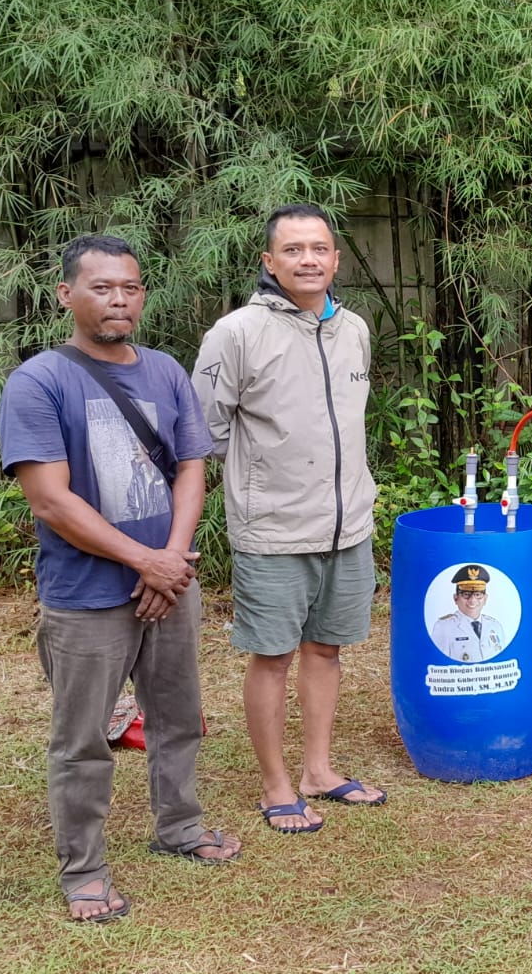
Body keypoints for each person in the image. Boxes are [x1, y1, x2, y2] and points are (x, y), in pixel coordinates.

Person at [0, 235, 241, 924]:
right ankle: (84, 870)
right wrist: (146, 562)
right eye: (102, 287)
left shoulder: (164, 371)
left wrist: (173, 556)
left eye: (130, 287)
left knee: (176, 718)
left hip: (170, 581)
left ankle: (181, 826)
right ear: (66, 295)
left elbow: (192, 467)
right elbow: (51, 500)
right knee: (82, 741)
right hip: (88, 596)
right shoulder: (40, 382)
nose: (119, 299)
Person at [192, 204, 385, 835]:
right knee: (272, 655)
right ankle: (277, 786)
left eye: (321, 249)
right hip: (273, 529)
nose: (310, 260)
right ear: (269, 262)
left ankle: (319, 772)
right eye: (294, 250)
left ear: (336, 259)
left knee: (325, 649)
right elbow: (203, 431)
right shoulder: (237, 334)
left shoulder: (353, 328)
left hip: (347, 525)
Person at [430, 564, 507, 662]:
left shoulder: (495, 626)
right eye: (466, 594)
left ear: (485, 599)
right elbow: (438, 662)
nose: (472, 601)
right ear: (456, 598)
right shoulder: (444, 627)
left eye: (478, 594)